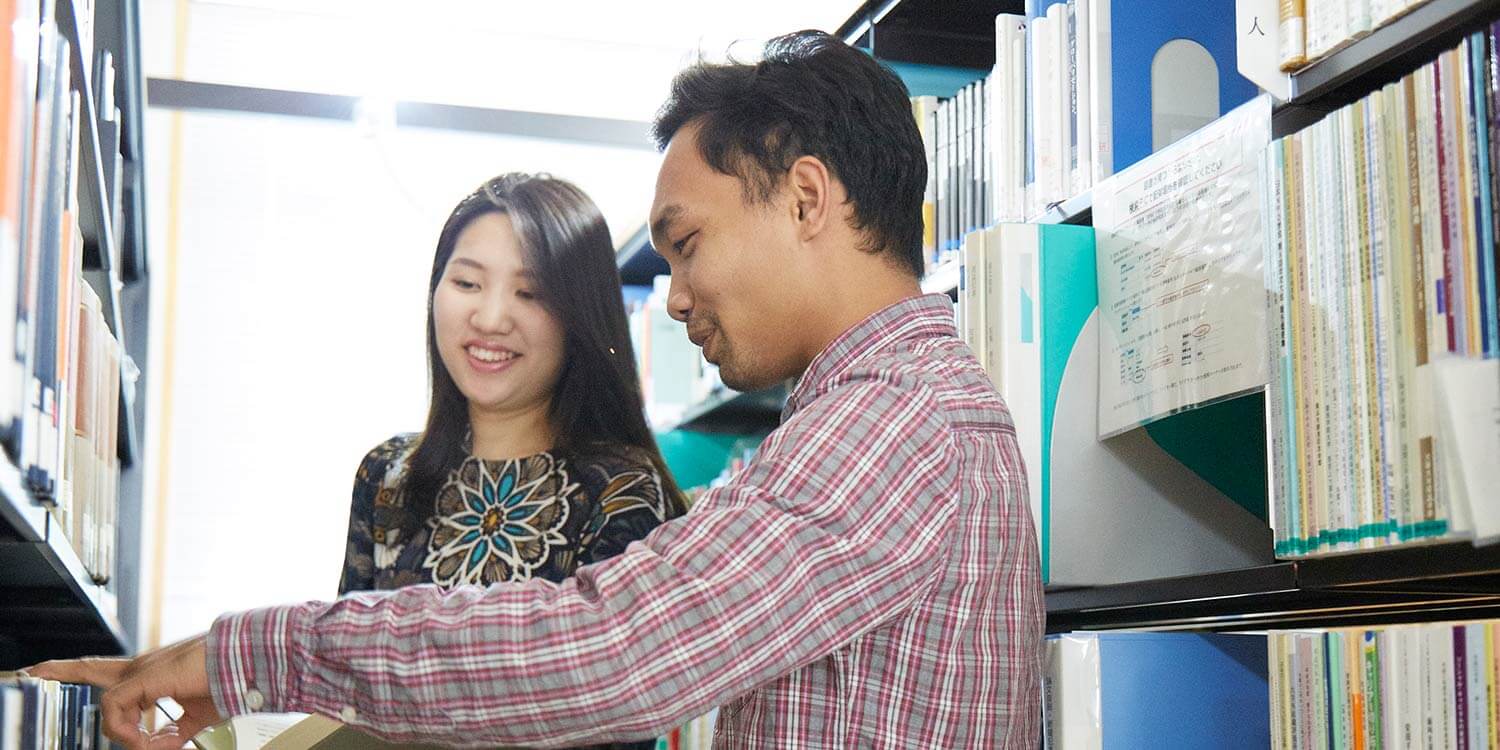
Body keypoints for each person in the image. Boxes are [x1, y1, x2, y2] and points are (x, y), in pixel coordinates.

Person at [30, 30, 1044, 750]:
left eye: (687, 246)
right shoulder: (880, 411)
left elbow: (609, 651)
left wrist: (237, 654)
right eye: (465, 283)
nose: (679, 295)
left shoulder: (893, 422)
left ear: (808, 198)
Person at [339, 173, 684, 750]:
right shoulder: (387, 473)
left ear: (581, 316)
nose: (491, 317)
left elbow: (609, 713)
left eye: (531, 293)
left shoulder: (621, 488)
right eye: (468, 282)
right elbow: (339, 676)